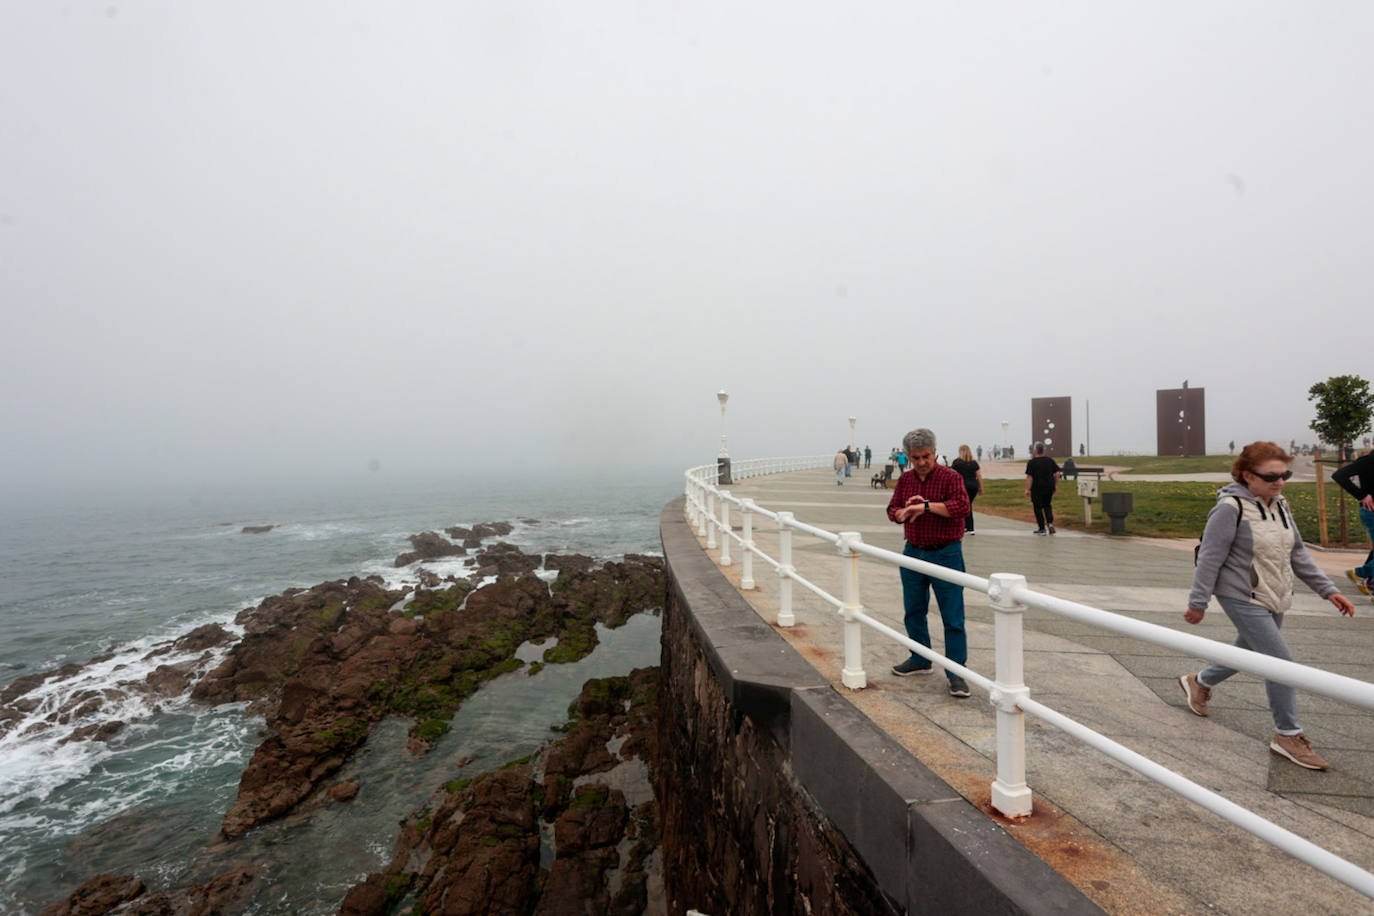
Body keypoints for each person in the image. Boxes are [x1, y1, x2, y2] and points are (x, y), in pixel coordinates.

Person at [1178, 442, 1356, 771]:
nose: (1280, 481)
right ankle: (1287, 734)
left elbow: (1298, 553)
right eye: (1271, 476)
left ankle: (1200, 681)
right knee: (1280, 663)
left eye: (1284, 475)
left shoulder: (1280, 505)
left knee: (1252, 653)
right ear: (1247, 476)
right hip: (1241, 596)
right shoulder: (1229, 508)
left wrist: (1329, 591)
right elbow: (1209, 558)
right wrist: (1198, 602)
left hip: (1275, 593)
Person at [886, 428, 973, 698]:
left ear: (935, 452)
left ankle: (956, 672)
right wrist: (902, 513)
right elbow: (892, 510)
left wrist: (925, 506)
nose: (922, 462)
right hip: (913, 551)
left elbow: (961, 507)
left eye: (926, 456)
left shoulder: (951, 477)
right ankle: (920, 658)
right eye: (916, 457)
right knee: (913, 610)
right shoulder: (906, 480)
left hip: (946, 553)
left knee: (953, 617)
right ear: (908, 457)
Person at [1332, 448, 1374, 599]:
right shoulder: (1368, 461)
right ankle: (1361, 574)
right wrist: (1361, 495)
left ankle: (1364, 577)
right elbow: (1339, 475)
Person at [1024, 443, 1061, 534]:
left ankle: (1042, 528)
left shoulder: (1032, 462)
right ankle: (1050, 523)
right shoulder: (1049, 460)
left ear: (1035, 450)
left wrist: (1027, 489)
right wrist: (1055, 485)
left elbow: (1029, 477)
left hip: (1037, 488)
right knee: (1047, 505)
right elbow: (1057, 474)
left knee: (1037, 507)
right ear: (1043, 450)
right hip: (1049, 487)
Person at [949, 444, 982, 535]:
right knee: (968, 505)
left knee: (966, 506)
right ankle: (966, 527)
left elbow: (951, 473)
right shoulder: (974, 463)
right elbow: (978, 475)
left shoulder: (957, 462)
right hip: (973, 487)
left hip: (963, 486)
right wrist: (980, 487)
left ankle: (969, 528)